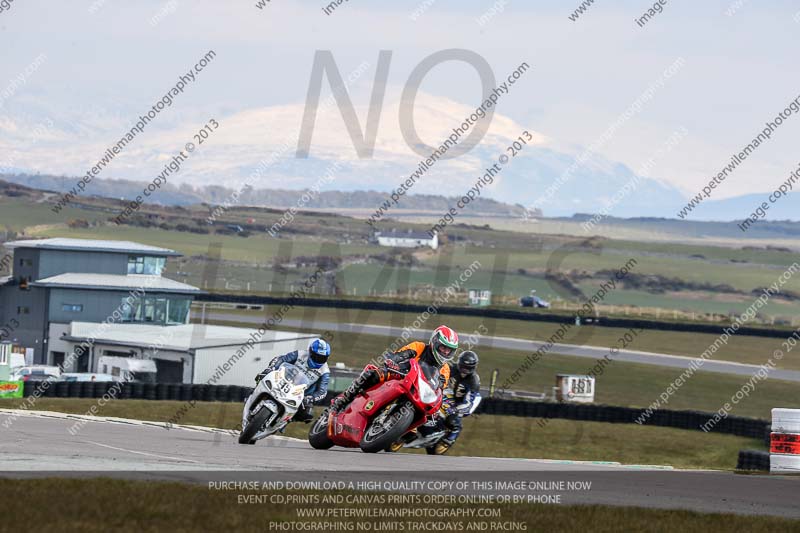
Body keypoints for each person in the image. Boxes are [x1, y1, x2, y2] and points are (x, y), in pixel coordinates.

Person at [330, 325, 459, 412]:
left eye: (449, 350)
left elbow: (440, 387)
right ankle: (345, 398)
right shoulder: (419, 347)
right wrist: (393, 362)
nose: (446, 352)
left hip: (419, 392)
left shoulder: (445, 369)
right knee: (373, 374)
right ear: (435, 342)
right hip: (400, 375)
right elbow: (401, 354)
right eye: (443, 347)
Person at [256, 338, 331, 423]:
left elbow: (322, 391)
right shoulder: (300, 354)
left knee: (307, 414)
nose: (318, 360)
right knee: (263, 376)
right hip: (282, 379)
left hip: (299, 393)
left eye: (322, 358)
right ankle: (254, 395)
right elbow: (281, 359)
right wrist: (270, 369)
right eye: (316, 356)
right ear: (310, 352)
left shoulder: (325, 371)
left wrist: (311, 398)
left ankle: (286, 421)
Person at [435, 350, 481, 453]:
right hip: (450, 394)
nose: (464, 370)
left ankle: (452, 435)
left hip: (462, 402)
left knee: (452, 420)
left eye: (467, 368)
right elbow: (439, 373)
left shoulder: (474, 381)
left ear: (473, 368)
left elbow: (468, 403)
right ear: (459, 363)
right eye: (462, 366)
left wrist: (454, 409)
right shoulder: (452, 368)